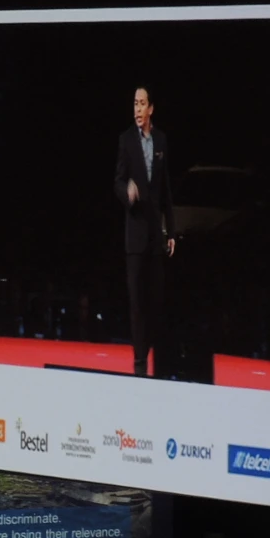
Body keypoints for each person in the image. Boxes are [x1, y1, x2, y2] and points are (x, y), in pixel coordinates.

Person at [115, 84, 176, 377]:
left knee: (156, 300)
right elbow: (117, 181)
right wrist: (127, 191)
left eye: (142, 104)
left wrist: (171, 231)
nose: (137, 109)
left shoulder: (162, 140)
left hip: (156, 236)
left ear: (151, 108)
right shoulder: (126, 140)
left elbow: (165, 190)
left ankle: (157, 357)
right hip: (135, 236)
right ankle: (139, 363)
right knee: (136, 302)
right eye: (134, 103)